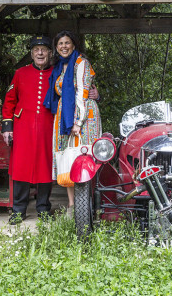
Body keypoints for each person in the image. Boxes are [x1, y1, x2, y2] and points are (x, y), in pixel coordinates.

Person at [1, 35, 99, 224]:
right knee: (20, 168)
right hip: (23, 127)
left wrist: (96, 93)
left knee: (45, 168)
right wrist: (7, 127)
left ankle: (43, 208)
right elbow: (10, 100)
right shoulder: (20, 73)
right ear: (31, 53)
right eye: (36, 50)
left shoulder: (57, 72)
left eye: (44, 50)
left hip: (48, 126)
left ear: (50, 53)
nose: (40, 53)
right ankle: (18, 210)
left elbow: (79, 87)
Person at [44, 30, 102, 217]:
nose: (63, 47)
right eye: (60, 44)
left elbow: (82, 94)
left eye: (67, 43)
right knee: (68, 159)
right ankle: (72, 207)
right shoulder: (60, 67)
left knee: (82, 158)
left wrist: (77, 122)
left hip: (82, 117)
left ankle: (87, 205)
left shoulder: (81, 63)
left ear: (74, 45)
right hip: (64, 116)